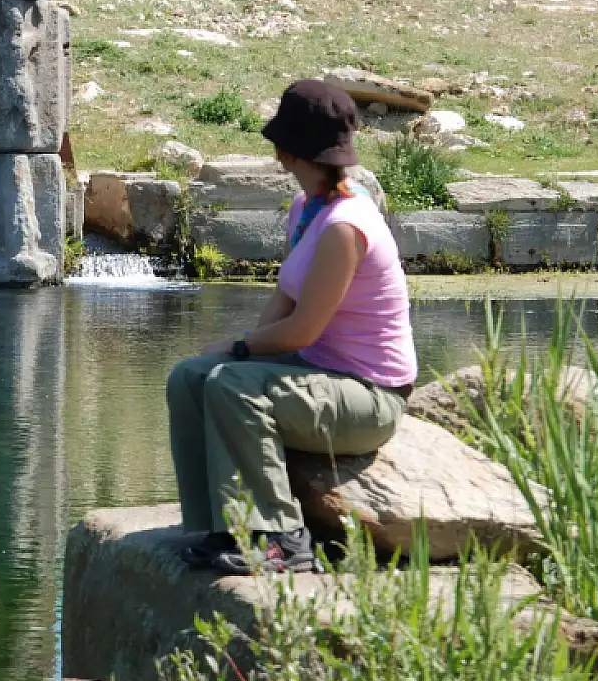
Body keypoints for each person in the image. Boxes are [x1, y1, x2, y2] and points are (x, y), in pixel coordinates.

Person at [166, 79, 417, 574]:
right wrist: (232, 353)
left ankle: (282, 536)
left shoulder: (345, 226)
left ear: (286, 152)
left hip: (371, 397)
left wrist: (237, 348)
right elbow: (283, 303)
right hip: (321, 373)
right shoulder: (308, 210)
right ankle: (223, 526)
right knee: (190, 377)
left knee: (233, 387)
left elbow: (302, 331)